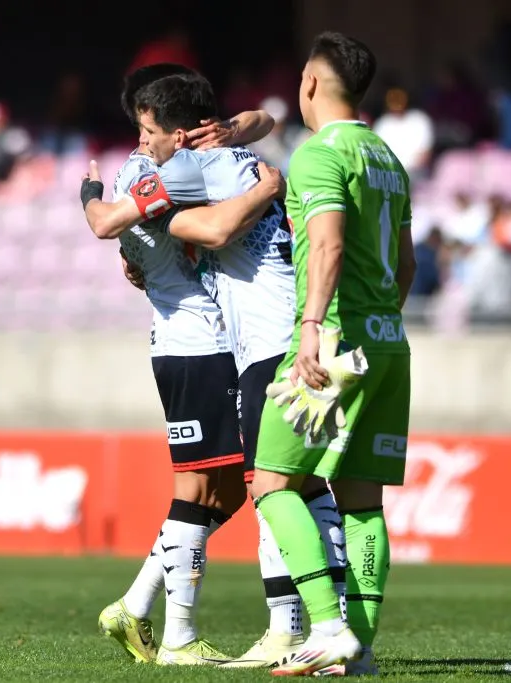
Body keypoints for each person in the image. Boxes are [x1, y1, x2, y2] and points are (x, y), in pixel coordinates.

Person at [84, 69, 348, 668]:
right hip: (262, 338)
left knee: (256, 488)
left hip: (246, 345)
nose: (141, 140)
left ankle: (283, 628)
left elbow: (161, 220)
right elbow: (263, 126)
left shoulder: (186, 169)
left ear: (179, 133)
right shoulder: (238, 159)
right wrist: (264, 179)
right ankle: (298, 629)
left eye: (148, 129)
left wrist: (106, 209)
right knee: (272, 487)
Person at [249, 32, 416, 676]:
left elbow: (327, 245)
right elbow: (406, 263)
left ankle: (326, 625)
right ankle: (361, 646)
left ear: (311, 83)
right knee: (362, 499)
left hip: (334, 341)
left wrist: (313, 327)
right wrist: (381, 325)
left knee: (272, 483)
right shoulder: (386, 157)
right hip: (387, 343)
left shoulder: (318, 154)